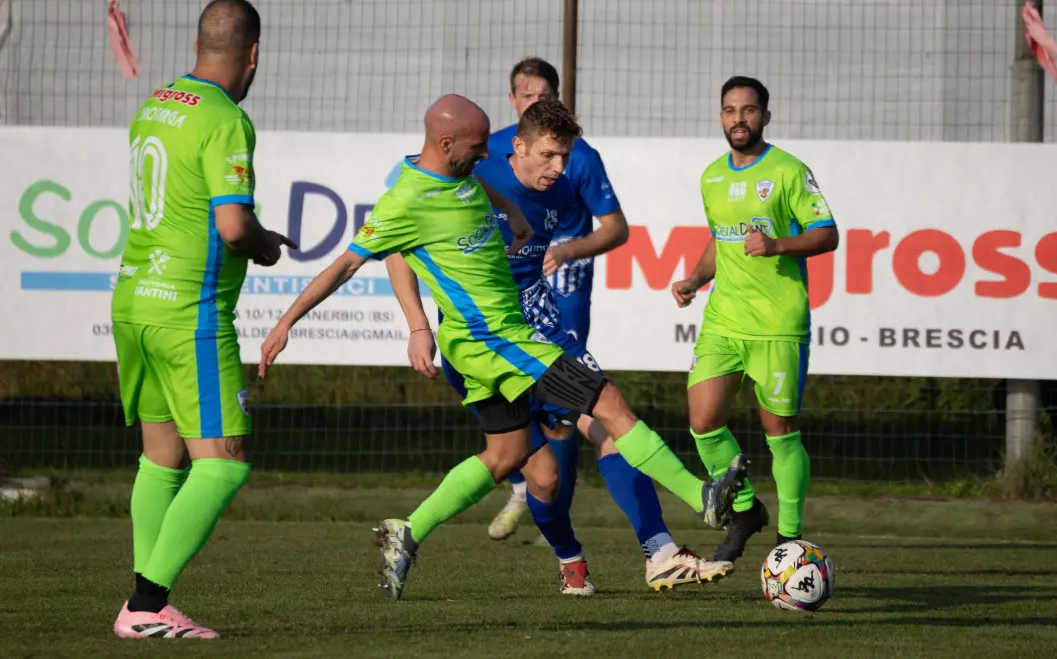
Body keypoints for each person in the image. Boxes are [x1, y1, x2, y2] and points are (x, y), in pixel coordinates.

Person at [258, 94, 748, 600]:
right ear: (450, 144)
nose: (483, 154)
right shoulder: (407, 199)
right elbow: (347, 264)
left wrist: (513, 214)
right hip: (497, 340)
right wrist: (289, 323)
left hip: (493, 340)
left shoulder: (464, 175)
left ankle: (408, 530)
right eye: (477, 146)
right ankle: (700, 499)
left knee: (512, 457)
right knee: (608, 405)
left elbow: (484, 186)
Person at [393, 98, 731, 595]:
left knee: (610, 420)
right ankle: (569, 559)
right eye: (549, 156)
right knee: (542, 477)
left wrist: (568, 249)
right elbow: (401, 245)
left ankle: (661, 550)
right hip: (484, 343)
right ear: (519, 143)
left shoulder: (565, 186)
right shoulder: (471, 180)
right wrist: (418, 324)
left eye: (564, 157)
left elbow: (614, 228)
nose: (559, 169)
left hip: (542, 327)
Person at [110, 0, 294, 639]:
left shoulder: (154, 106)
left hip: (136, 298)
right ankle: (144, 604)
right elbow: (233, 225)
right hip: (190, 310)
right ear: (253, 54)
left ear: (198, 46)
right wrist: (266, 245)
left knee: (161, 459)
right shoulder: (225, 119)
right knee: (226, 461)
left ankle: (145, 607)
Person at [671, 76, 839, 563]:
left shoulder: (788, 171)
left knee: (780, 432)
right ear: (720, 116)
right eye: (729, 110)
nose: (738, 119)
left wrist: (777, 244)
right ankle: (745, 511)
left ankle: (790, 539)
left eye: (748, 110)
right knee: (703, 423)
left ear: (765, 116)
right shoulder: (711, 176)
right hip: (724, 318)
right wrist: (695, 279)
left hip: (778, 323)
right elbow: (719, 240)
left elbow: (827, 234)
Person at [484, 57, 622, 541]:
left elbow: (615, 229)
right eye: (527, 96)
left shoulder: (578, 156)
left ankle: (554, 505)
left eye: (545, 96)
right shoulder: (491, 152)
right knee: (512, 400)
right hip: (506, 300)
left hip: (563, 293)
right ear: (513, 101)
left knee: (571, 401)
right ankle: (528, 483)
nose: (536, 103)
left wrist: (567, 249)